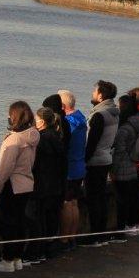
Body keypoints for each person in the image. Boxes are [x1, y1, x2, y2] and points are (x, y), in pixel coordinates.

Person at [0, 101, 38, 272]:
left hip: (12, 185)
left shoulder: (14, 140)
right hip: (26, 183)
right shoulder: (32, 137)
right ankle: (17, 257)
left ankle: (8, 259)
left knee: (6, 222)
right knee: (19, 222)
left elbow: (4, 168)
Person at [25, 106, 67, 258]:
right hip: (54, 185)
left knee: (37, 219)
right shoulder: (57, 137)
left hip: (41, 185)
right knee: (49, 219)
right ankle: (47, 249)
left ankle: (35, 252)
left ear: (41, 122)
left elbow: (35, 163)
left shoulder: (41, 139)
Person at [82, 81, 119, 245]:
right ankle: (101, 233)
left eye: (94, 91)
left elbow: (91, 142)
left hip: (95, 161)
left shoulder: (99, 115)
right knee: (101, 197)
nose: (92, 93)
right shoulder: (114, 112)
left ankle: (95, 235)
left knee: (93, 199)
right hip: (106, 158)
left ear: (101, 95)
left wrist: (83, 161)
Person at [111, 94, 139, 238]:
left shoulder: (123, 129)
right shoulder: (137, 124)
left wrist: (113, 170)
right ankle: (134, 225)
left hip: (122, 169)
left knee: (122, 201)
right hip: (132, 165)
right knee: (132, 198)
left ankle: (123, 229)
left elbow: (118, 152)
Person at [58, 91, 88, 246]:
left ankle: (64, 237)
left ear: (62, 106)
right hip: (79, 165)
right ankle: (72, 236)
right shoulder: (81, 118)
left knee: (66, 203)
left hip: (69, 168)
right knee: (74, 202)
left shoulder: (68, 122)